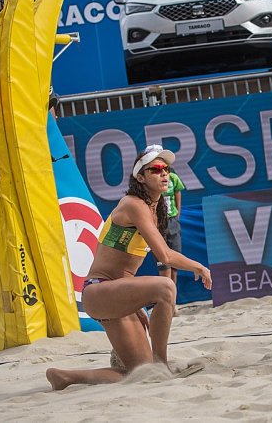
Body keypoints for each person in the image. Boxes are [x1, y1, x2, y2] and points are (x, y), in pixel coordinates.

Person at [45, 145, 212, 391]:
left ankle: (65, 376)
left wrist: (135, 304)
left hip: (115, 296)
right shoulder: (133, 204)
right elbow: (164, 255)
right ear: (140, 177)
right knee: (166, 287)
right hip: (99, 290)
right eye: (155, 169)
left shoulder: (155, 210)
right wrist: (199, 267)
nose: (164, 173)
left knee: (141, 374)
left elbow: (131, 270)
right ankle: (162, 363)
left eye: (166, 169)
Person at [157, 167, 186, 315]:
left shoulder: (173, 178)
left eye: (164, 167)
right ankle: (167, 305)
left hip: (172, 222)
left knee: (174, 266)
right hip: (158, 225)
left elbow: (178, 194)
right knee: (164, 267)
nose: (161, 170)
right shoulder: (149, 183)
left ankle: (172, 304)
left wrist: (177, 215)